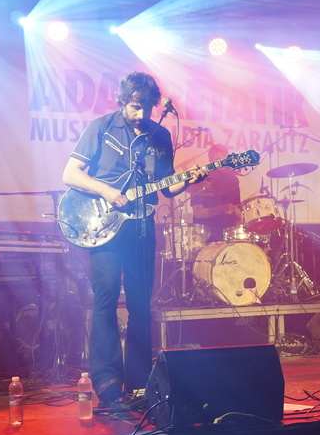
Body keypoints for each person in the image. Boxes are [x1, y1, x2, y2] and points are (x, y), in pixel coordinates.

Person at [62, 72, 207, 409]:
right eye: (134, 107)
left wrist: (190, 179)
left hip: (142, 225)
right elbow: (70, 173)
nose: (140, 114)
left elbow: (167, 185)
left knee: (142, 305)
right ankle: (108, 382)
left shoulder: (160, 135)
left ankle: (140, 383)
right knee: (106, 299)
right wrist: (106, 190)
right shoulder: (101, 127)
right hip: (105, 225)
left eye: (146, 108)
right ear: (122, 101)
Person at [187, 143, 243, 242]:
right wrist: (221, 209)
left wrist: (239, 215)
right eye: (217, 160)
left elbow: (238, 211)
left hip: (229, 237)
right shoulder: (201, 180)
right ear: (210, 161)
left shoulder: (233, 181)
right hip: (206, 236)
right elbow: (198, 213)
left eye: (224, 160)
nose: (221, 163)